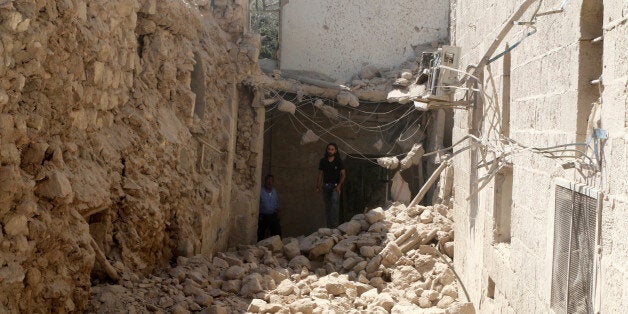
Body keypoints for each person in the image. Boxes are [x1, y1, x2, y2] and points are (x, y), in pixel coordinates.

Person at [316, 143, 346, 228]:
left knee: (335, 204)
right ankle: (329, 226)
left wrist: (339, 185)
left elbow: (343, 175)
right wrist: (318, 186)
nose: (330, 151)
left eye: (332, 149)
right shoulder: (323, 161)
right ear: (327, 150)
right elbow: (320, 174)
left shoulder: (338, 161)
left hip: (335, 186)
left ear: (335, 151)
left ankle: (334, 226)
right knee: (327, 206)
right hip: (326, 186)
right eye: (329, 149)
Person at [258, 174, 282, 241]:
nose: (269, 182)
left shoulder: (274, 191)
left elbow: (277, 203)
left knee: (277, 230)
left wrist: (279, 213)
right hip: (263, 215)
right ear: (265, 181)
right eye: (268, 180)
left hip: (272, 215)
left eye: (271, 180)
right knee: (261, 232)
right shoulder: (260, 190)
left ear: (273, 182)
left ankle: (278, 244)